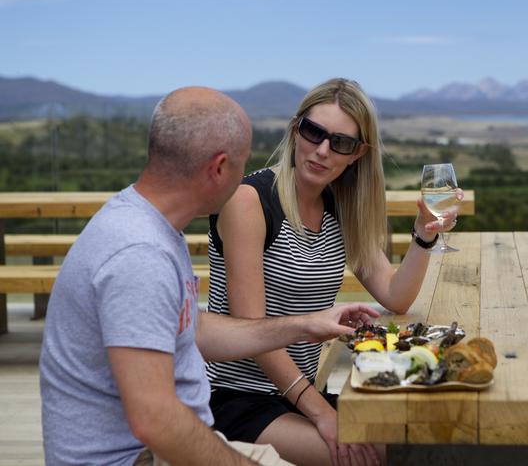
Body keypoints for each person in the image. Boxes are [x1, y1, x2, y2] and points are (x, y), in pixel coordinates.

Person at [39, 86, 380, 466]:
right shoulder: (139, 255)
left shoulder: (150, 226)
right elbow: (155, 421)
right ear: (219, 168)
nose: (251, 177)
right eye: (243, 163)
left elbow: (195, 330)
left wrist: (305, 325)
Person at [206, 78, 463, 466]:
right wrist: (323, 413)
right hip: (237, 399)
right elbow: (252, 331)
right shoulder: (249, 201)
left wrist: (424, 234)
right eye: (314, 132)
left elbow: (396, 295)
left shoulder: (337, 207)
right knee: (379, 453)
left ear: (357, 155)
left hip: (299, 394)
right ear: (295, 130)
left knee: (419, 434)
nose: (322, 150)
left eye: (340, 143)